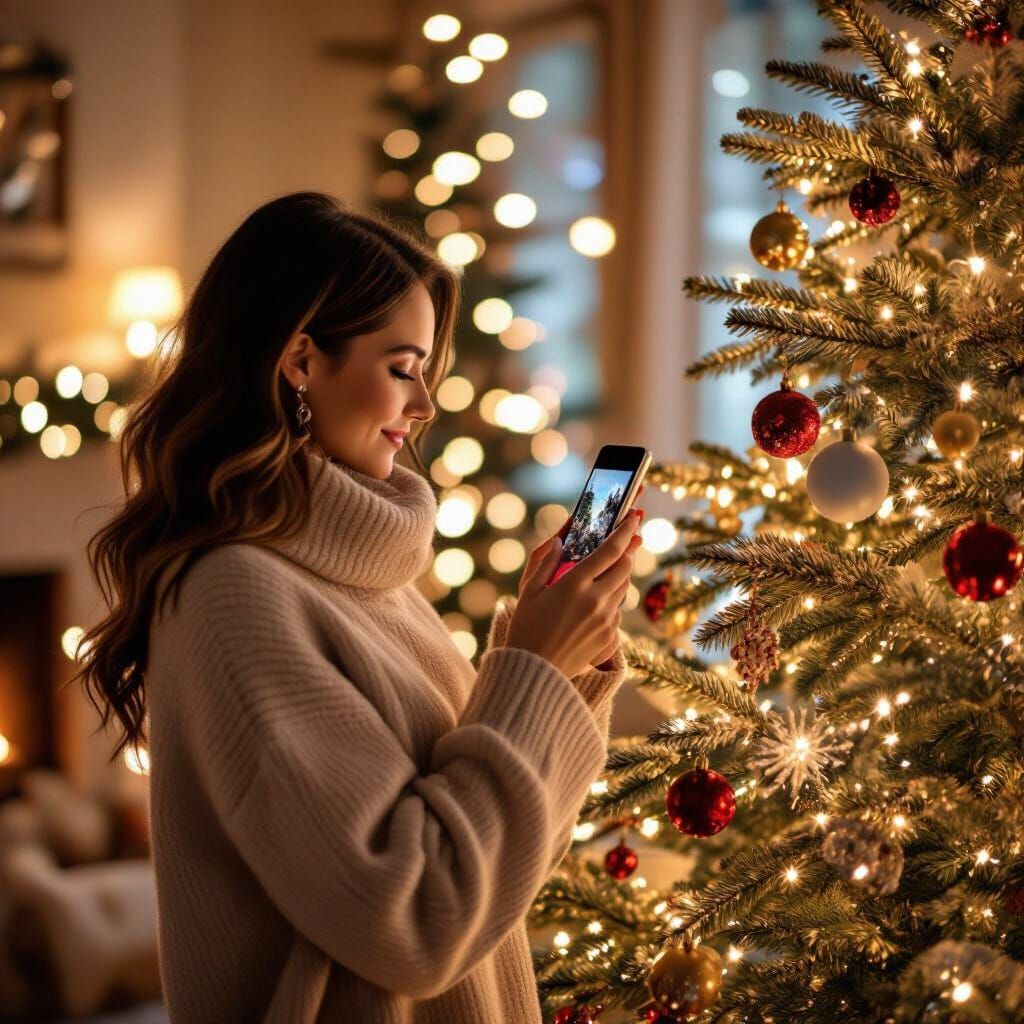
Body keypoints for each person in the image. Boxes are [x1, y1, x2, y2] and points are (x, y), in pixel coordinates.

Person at [73, 191, 643, 1022]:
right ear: (301, 360)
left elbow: (495, 866)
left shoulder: (365, 578)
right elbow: (417, 921)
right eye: (403, 368)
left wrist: (552, 657)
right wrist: (534, 670)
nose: (424, 408)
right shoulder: (236, 596)